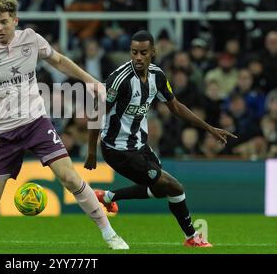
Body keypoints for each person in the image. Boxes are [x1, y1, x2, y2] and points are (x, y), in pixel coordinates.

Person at [0, 0, 128, 250]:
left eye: (4, 22)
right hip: (1, 133)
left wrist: (89, 80)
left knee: (70, 177)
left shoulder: (31, 39)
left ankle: (109, 234)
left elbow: (58, 60)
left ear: (15, 20)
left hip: (36, 123)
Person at [84, 30, 237, 248]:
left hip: (140, 144)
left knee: (162, 188)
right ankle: (191, 237)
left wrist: (209, 128)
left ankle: (107, 197)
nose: (138, 57)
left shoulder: (157, 76)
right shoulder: (120, 79)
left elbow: (175, 107)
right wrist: (91, 151)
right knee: (173, 186)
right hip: (117, 149)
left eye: (143, 52)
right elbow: (96, 112)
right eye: (134, 52)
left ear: (152, 53)